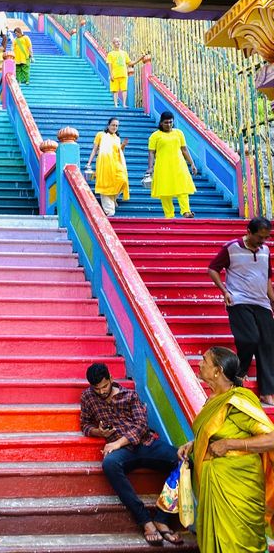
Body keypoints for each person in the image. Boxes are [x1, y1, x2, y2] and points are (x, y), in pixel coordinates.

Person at [177, 347, 274, 553]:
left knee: (240, 543)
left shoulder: (238, 400)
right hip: (214, 481)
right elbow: (216, 432)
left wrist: (231, 444)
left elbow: (272, 438)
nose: (199, 363)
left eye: (204, 360)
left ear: (217, 371)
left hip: (239, 485)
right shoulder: (212, 399)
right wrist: (193, 444)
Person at [80, 363, 183, 546]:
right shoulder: (88, 398)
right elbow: (85, 425)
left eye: (105, 386)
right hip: (122, 453)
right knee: (109, 464)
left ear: (111, 378)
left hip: (145, 444)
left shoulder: (129, 395)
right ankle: (145, 521)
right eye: (97, 389)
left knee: (183, 461)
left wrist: (117, 442)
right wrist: (99, 432)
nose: (102, 392)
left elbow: (141, 426)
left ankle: (162, 518)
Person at [208, 216, 274, 406]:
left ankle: (267, 392)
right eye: (260, 237)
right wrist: (224, 291)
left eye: (266, 237)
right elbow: (212, 269)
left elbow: (266, 278)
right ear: (248, 232)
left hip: (261, 302)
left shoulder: (265, 250)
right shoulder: (232, 248)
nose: (263, 241)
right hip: (238, 300)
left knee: (268, 345)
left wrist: (272, 300)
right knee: (250, 338)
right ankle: (238, 373)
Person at [146, 110, 197, 219]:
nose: (168, 125)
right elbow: (151, 152)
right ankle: (169, 215)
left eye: (170, 122)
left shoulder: (179, 133)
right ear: (161, 123)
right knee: (165, 191)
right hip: (162, 166)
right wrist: (150, 167)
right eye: (166, 122)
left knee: (183, 188)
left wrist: (192, 164)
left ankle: (186, 211)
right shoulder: (155, 136)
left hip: (179, 165)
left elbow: (184, 149)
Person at [85, 117, 129, 216]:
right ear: (108, 125)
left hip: (116, 163)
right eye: (113, 125)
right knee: (105, 184)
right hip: (104, 163)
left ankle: (113, 199)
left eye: (117, 126)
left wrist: (123, 145)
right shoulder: (101, 135)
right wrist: (89, 162)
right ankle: (109, 211)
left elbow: (119, 152)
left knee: (123, 180)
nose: (115, 127)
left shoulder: (117, 138)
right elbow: (94, 149)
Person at [106, 37, 144, 108]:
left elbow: (130, 63)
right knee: (115, 91)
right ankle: (116, 104)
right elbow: (109, 64)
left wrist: (139, 59)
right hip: (115, 74)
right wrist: (111, 74)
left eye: (119, 41)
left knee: (124, 89)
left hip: (123, 74)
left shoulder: (124, 53)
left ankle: (124, 104)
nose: (118, 43)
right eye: (116, 42)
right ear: (113, 44)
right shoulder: (111, 54)